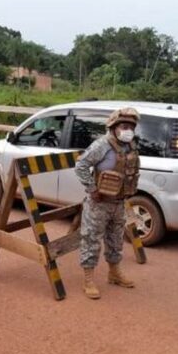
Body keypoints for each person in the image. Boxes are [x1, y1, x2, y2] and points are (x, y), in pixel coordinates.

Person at [74, 107, 140, 299]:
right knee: (91, 240)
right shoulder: (102, 145)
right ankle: (88, 280)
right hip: (99, 203)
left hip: (119, 202)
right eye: (124, 126)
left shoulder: (130, 146)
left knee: (116, 240)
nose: (128, 130)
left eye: (131, 126)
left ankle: (114, 273)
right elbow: (81, 165)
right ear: (113, 127)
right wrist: (92, 188)